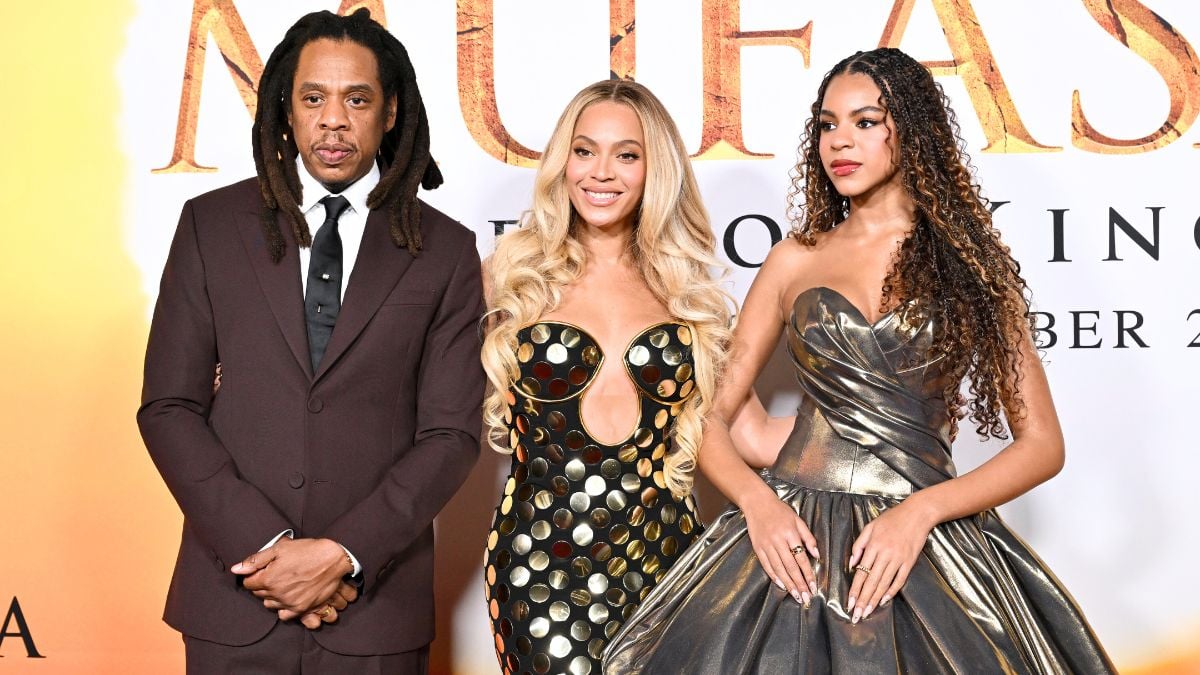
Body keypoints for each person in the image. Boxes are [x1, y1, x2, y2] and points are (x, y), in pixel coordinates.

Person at [603, 48, 1115, 673]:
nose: (839, 141)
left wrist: (921, 512)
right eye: (826, 124)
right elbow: (707, 418)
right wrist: (758, 507)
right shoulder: (795, 259)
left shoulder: (972, 267)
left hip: (923, 539)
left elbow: (1041, 445)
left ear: (915, 132)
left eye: (865, 122)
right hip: (795, 539)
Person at [137, 9, 483, 673]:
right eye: (313, 97)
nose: (333, 119)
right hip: (233, 600)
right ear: (285, 111)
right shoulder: (211, 227)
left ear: (389, 114)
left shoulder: (444, 251)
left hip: (373, 606)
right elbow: (168, 407)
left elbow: (450, 435)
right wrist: (268, 549)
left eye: (357, 99)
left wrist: (341, 554)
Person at [480, 80, 733, 675]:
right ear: (562, 162)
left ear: (655, 170)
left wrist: (860, 446)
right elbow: (414, 402)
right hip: (540, 566)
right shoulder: (510, 278)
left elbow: (738, 431)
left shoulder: (688, 294)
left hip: (670, 563)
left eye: (627, 154)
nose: (602, 172)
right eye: (585, 150)